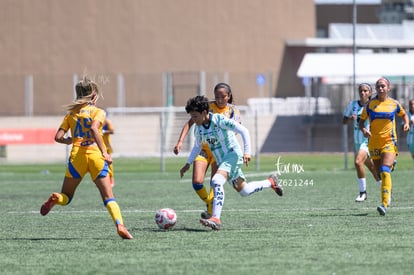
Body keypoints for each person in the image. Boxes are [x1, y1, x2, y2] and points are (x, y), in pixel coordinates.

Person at [40, 76, 133, 239]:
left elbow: (58, 137)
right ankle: (120, 225)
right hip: (96, 156)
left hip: (77, 157)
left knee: (66, 197)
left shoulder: (71, 114)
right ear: (93, 96)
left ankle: (56, 198)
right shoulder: (98, 112)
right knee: (108, 197)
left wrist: (71, 140)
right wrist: (104, 152)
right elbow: (94, 129)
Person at [180, 95, 283, 230]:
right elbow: (197, 146)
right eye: (192, 117)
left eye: (195, 116)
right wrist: (188, 163)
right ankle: (271, 182)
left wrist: (247, 152)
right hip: (223, 160)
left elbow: (243, 131)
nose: (193, 120)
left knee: (216, 181)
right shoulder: (199, 128)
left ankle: (215, 218)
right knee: (245, 190)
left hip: (233, 155)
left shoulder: (219, 120)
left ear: (204, 113)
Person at [174, 83, 240, 219]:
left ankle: (213, 213)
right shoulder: (207, 107)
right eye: (217, 97)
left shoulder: (233, 111)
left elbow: (235, 130)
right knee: (197, 182)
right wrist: (180, 141)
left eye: (223, 97)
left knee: (214, 183)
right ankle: (210, 204)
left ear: (229, 96)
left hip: (219, 152)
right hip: (203, 149)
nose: (220, 100)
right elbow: (190, 122)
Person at [359, 77, 409, 216]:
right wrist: (364, 129)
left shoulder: (394, 104)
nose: (381, 88)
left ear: (388, 88)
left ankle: (384, 204)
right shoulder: (369, 105)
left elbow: (404, 115)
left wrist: (406, 123)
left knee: (384, 169)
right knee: (380, 174)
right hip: (374, 143)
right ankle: (391, 168)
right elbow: (361, 122)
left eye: (383, 86)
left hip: (389, 142)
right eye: (378, 86)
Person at [342, 83, 381, 202]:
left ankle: (363, 193)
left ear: (369, 93)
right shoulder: (353, 105)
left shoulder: (373, 106)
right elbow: (344, 121)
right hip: (357, 141)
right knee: (372, 167)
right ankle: (385, 188)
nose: (362, 93)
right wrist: (350, 118)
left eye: (365, 91)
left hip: (368, 140)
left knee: (358, 162)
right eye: (361, 91)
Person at [102, 114, 115, 187]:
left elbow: (112, 131)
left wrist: (104, 131)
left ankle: (111, 178)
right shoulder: (96, 122)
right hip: (97, 147)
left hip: (106, 146)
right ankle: (102, 180)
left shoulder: (107, 122)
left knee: (109, 163)